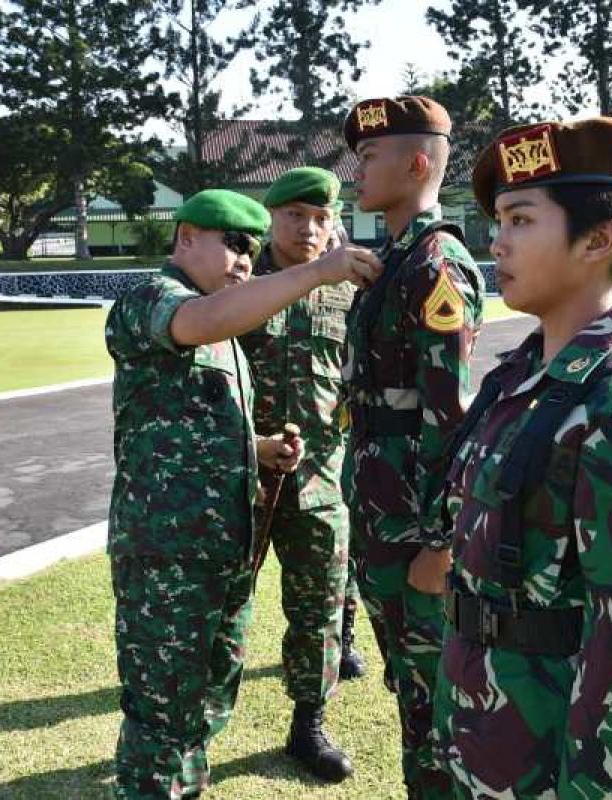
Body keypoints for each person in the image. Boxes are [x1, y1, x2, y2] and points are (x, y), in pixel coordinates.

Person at [432, 117, 612, 798]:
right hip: (479, 729)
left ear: (598, 239)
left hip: (547, 756)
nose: (496, 240)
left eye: (521, 220)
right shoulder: (520, 379)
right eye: (497, 219)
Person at [104, 189, 380, 799]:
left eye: (251, 252)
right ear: (185, 238)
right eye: (231, 243)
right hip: (168, 550)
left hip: (224, 541)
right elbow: (199, 325)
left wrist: (257, 447)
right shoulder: (152, 300)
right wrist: (318, 270)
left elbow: (198, 417)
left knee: (207, 695)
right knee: (163, 706)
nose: (242, 260)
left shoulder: (222, 323)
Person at [339, 95, 485, 799]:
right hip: (381, 516)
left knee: (435, 703)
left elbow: (452, 421)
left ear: (418, 162)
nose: (354, 172)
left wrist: (440, 543)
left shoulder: (435, 265)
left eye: (369, 158)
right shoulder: (391, 260)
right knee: (411, 686)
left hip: (413, 530)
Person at [237, 167, 366, 783]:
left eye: (320, 218)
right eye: (295, 216)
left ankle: (307, 722)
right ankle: (190, 720)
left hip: (319, 476)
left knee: (317, 607)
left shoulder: (347, 290)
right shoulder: (236, 280)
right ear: (272, 218)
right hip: (237, 477)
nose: (309, 229)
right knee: (219, 602)